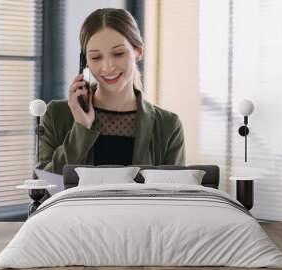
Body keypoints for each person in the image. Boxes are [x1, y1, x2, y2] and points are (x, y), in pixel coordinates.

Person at [37, 8, 185, 175]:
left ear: (138, 52)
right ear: (84, 62)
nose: (108, 67)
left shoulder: (168, 126)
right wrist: (81, 128)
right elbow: (44, 191)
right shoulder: (56, 116)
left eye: (118, 53)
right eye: (96, 57)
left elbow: (174, 197)